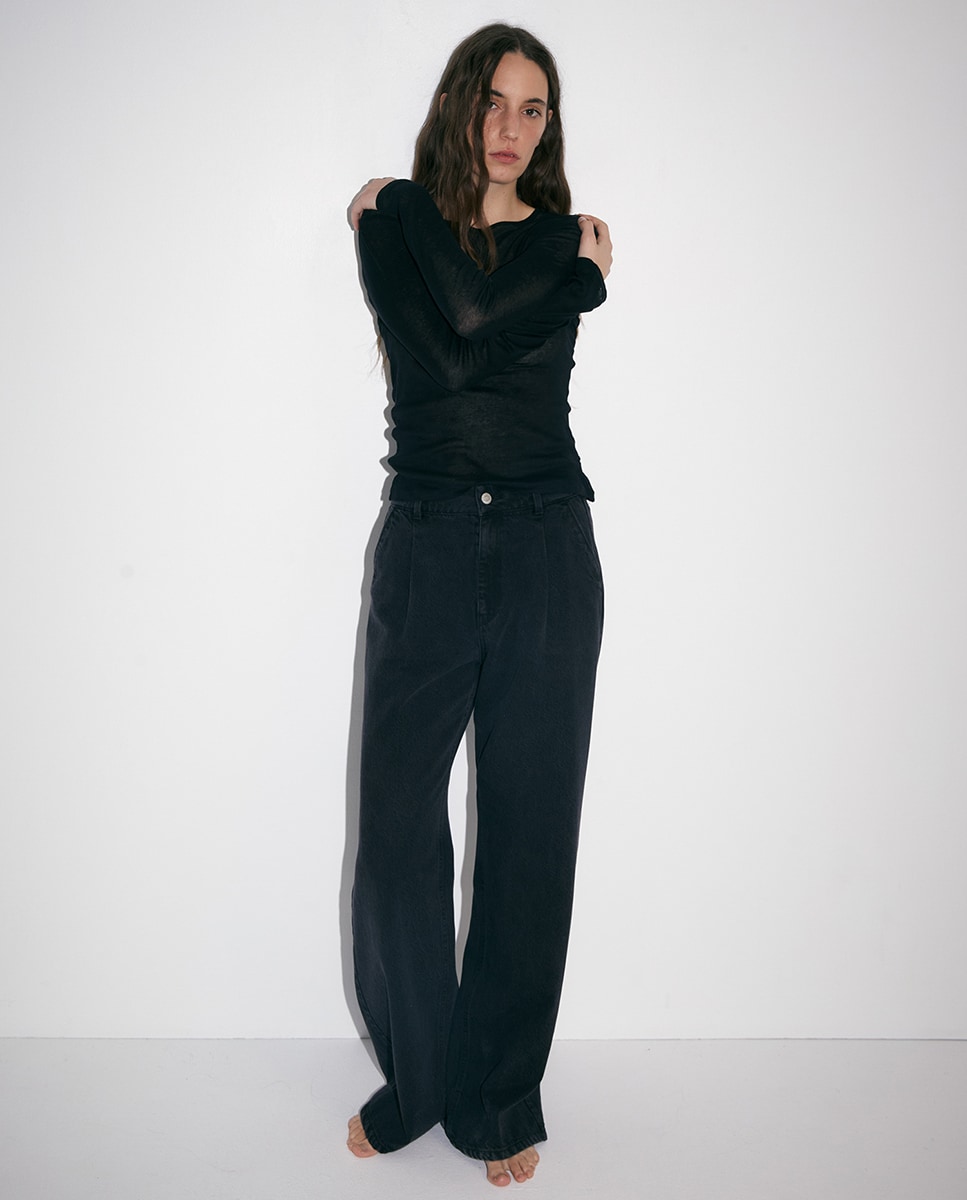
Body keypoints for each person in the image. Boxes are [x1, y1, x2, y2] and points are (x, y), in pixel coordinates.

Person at [345, 22, 612, 1188]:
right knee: (396, 830)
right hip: (428, 541)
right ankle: (419, 1077)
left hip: (549, 544)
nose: (511, 127)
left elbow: (462, 325)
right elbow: (458, 343)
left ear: (547, 129)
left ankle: (498, 1093)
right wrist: (586, 285)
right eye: (494, 101)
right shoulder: (408, 226)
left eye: (533, 108)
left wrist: (571, 267)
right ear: (461, 106)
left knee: (528, 833)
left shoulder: (549, 236)